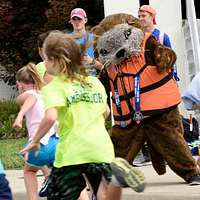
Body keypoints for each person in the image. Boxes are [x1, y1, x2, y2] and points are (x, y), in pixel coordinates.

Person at [20, 32, 145, 200]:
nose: (45, 63)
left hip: (73, 152)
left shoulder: (54, 87)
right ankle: (117, 180)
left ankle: (116, 180)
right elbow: (106, 112)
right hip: (100, 148)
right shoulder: (92, 82)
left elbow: (50, 117)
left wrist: (35, 141)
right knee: (103, 195)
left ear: (57, 60)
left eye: (48, 59)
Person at [13, 63, 58, 200]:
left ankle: (33, 197)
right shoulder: (45, 93)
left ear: (20, 84)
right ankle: (49, 178)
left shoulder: (27, 94)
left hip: (41, 144)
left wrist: (20, 116)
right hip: (57, 142)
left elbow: (30, 99)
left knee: (29, 170)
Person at [69, 7, 103, 76]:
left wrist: (91, 61)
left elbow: (104, 68)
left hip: (91, 79)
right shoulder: (66, 39)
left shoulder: (95, 39)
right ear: (71, 21)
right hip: (72, 81)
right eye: (74, 19)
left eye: (79, 19)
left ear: (85, 20)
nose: (77, 22)